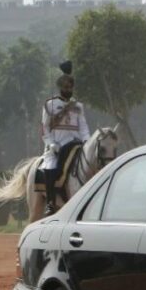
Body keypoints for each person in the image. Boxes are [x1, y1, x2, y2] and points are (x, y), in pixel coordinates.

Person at [40, 61, 90, 216]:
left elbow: (83, 126)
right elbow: (44, 128)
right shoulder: (50, 104)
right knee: (50, 167)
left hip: (75, 144)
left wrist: (87, 140)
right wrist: (50, 144)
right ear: (60, 88)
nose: (68, 90)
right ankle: (50, 203)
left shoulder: (78, 106)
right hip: (57, 145)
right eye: (66, 88)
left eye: (70, 87)